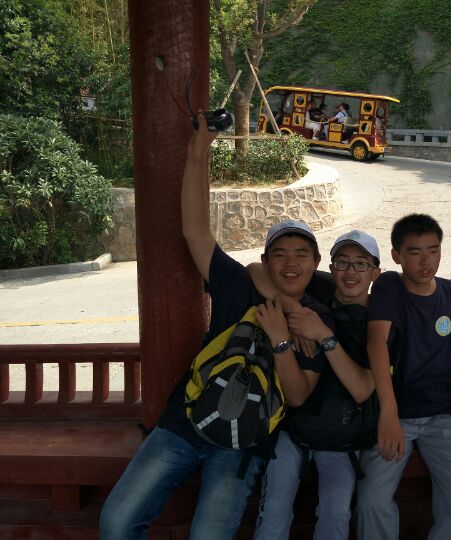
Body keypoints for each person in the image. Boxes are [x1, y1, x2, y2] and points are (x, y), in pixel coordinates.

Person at [99, 114, 331, 540]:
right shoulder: (238, 284)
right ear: (266, 261)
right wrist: (198, 151)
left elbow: (298, 395)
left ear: (316, 263)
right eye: (279, 254)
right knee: (116, 523)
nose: (291, 262)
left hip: (244, 445)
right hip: (182, 424)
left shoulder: (314, 320)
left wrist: (281, 338)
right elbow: (195, 231)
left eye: (302, 254)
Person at [356, 213, 451, 540]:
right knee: (371, 501)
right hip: (398, 413)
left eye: (433, 250)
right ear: (397, 256)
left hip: (444, 414)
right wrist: (388, 413)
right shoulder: (389, 286)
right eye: (415, 252)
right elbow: (376, 341)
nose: (426, 261)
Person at [253, 230, 381, 540]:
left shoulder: (380, 319)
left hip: (342, 434)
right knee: (274, 508)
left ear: (375, 272)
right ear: (330, 267)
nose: (351, 272)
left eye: (361, 264)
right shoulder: (320, 289)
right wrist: (293, 310)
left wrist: (322, 334)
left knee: (335, 512)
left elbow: (362, 388)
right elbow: (255, 269)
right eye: (343, 262)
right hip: (293, 426)